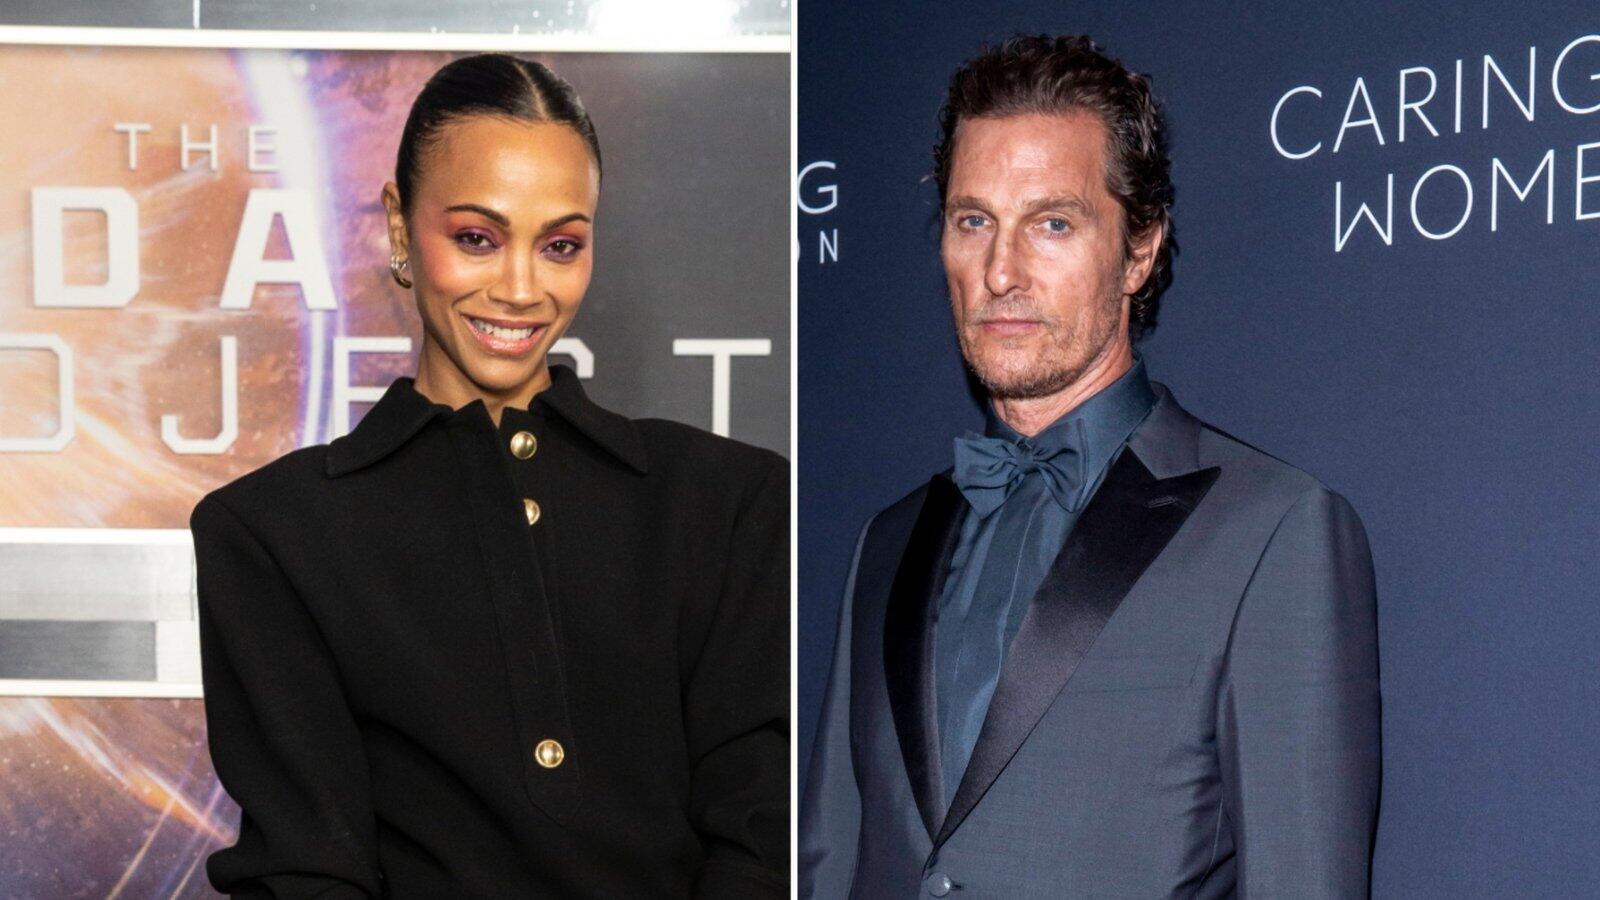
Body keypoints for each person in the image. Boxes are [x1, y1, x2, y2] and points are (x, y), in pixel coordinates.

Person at [190, 53, 788, 898]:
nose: (520, 288)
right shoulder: (272, 534)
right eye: (477, 237)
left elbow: (761, 841)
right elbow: (305, 871)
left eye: (560, 245)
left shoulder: (727, 503)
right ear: (401, 228)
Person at [799, 34, 1380, 898]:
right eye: (973, 221)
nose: (1001, 272)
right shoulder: (887, 542)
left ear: (1139, 250)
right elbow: (830, 863)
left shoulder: (1274, 533)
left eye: (1053, 224)